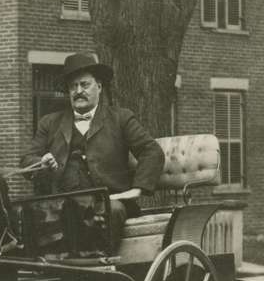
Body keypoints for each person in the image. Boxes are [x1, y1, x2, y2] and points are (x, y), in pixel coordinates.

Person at [20, 52, 164, 240]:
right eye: (73, 86)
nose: (78, 91)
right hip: (61, 203)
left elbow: (151, 151)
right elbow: (27, 160)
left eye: (85, 84)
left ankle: (100, 263)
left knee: (110, 212)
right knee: (24, 216)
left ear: (99, 86)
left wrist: (138, 189)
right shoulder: (49, 123)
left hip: (108, 202)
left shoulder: (121, 118)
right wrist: (41, 163)